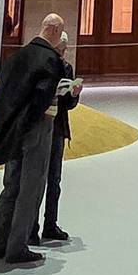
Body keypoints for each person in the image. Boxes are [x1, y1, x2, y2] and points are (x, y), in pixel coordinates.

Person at [0, 12, 67, 269]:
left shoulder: (15, 56)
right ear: (53, 30)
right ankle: (17, 246)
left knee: (10, 186)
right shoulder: (49, 60)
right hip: (36, 130)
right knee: (31, 188)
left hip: (11, 130)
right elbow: (42, 99)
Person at [34, 32, 81, 246]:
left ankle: (50, 224)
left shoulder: (67, 68)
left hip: (58, 127)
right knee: (36, 180)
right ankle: (30, 227)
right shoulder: (42, 65)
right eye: (59, 50)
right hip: (41, 126)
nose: (62, 55)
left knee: (55, 179)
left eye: (64, 51)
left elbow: (70, 105)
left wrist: (73, 94)